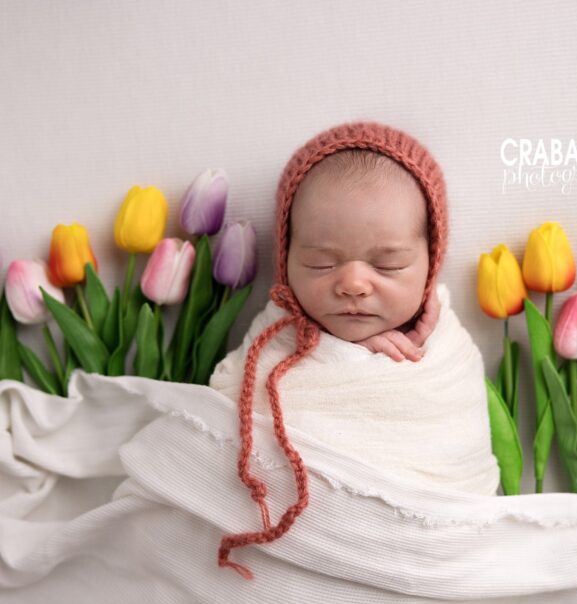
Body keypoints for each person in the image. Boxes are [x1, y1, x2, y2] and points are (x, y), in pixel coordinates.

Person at [210, 121, 500, 580]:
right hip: (285, 558)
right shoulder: (275, 336)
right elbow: (223, 407)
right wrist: (345, 350)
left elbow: (456, 457)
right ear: (285, 258)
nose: (353, 283)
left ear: (430, 262)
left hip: (423, 559)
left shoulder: (447, 355)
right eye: (321, 263)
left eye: (389, 265)